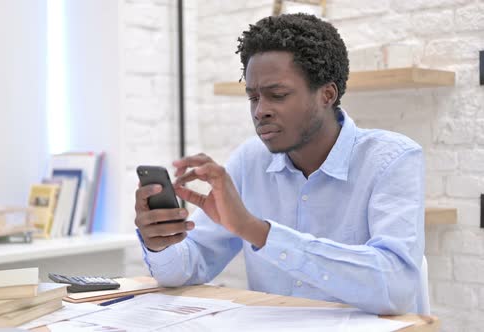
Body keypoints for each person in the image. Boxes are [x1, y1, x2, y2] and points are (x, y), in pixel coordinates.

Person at [134, 13, 424, 315]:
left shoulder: (392, 159)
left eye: (278, 95)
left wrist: (258, 231)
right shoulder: (249, 161)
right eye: (253, 97)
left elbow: (396, 287)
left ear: (327, 94)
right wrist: (161, 242)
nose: (260, 111)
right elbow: (187, 267)